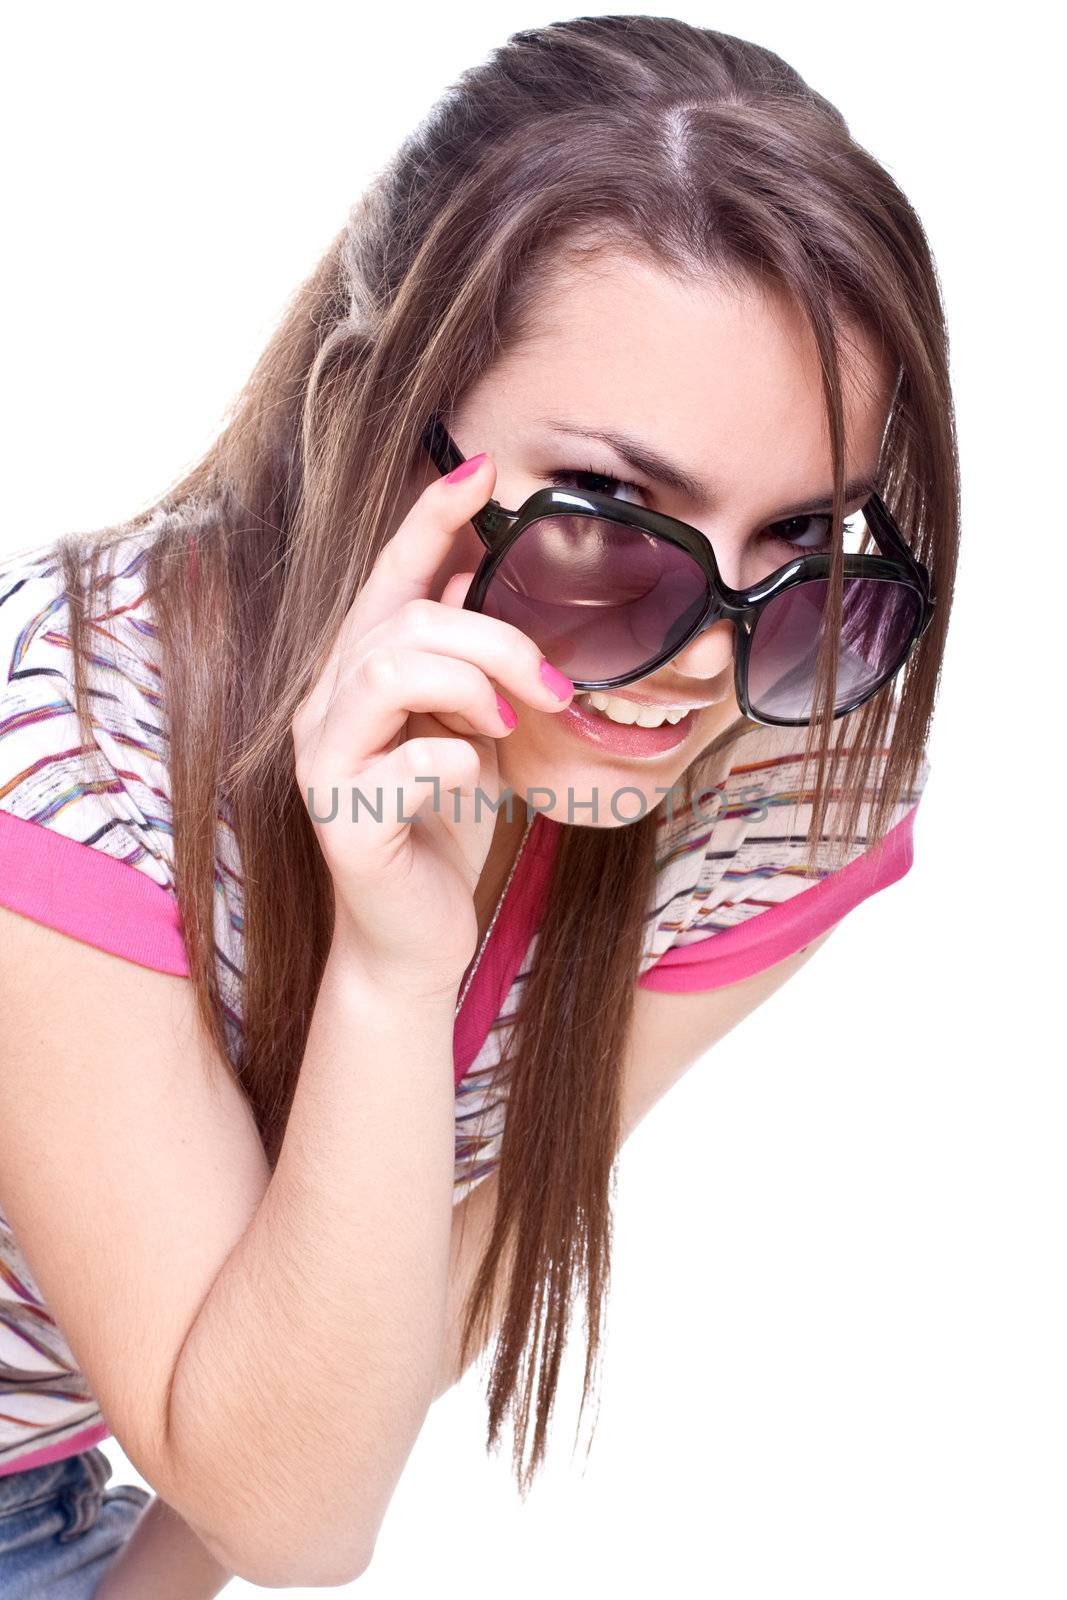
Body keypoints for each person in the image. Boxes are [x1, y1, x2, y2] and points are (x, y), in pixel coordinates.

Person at [0, 14, 952, 1595]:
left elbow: (334, 1416)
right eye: (608, 521)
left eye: (802, 545)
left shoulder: (786, 776)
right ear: (382, 417)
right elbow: (287, 1503)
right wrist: (386, 973)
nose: (701, 659)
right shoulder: (78, 732)